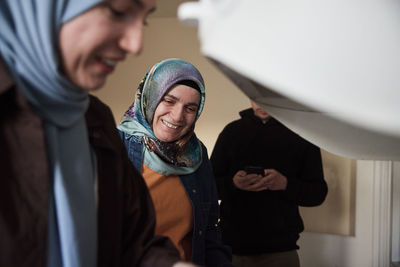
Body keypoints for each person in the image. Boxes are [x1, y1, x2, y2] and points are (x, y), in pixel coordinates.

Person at [0, 1, 190, 266]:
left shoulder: (95, 119)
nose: (136, 45)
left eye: (144, 20)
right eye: (118, 11)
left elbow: (133, 245)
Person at [118, 58, 233, 267]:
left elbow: (209, 232)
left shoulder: (196, 156)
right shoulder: (115, 146)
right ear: (150, 97)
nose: (178, 116)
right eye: (169, 101)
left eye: (190, 108)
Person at [210, 100, 328, 267]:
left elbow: (318, 193)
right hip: (232, 248)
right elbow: (207, 187)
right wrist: (233, 184)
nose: (261, 104)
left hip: (281, 251)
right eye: (255, 97)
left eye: (266, 97)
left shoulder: (301, 135)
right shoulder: (232, 132)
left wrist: (286, 184)